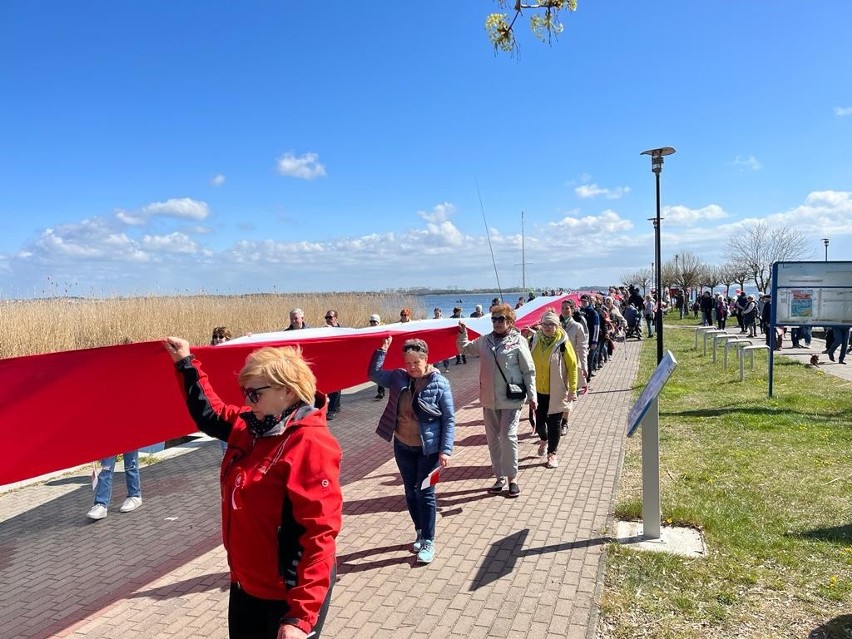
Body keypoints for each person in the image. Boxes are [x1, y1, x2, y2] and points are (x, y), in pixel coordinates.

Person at [164, 337, 342, 639]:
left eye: (255, 394)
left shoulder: (311, 444)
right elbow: (211, 414)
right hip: (246, 585)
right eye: (245, 393)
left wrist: (300, 617)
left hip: (287, 595)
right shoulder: (253, 426)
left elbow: (319, 536)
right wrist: (185, 362)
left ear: (287, 391)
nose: (247, 401)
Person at [367, 337, 455, 564]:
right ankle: (419, 530)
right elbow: (374, 374)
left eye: (416, 362)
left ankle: (428, 540)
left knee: (425, 493)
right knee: (410, 491)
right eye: (408, 363)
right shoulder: (398, 377)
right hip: (403, 447)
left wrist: (445, 450)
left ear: (426, 359)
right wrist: (380, 351)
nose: (412, 367)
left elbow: (449, 419)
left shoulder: (440, 383)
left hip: (430, 450)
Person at [457, 304, 536, 498]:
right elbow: (465, 349)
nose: (497, 323)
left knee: (508, 437)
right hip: (488, 400)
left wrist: (533, 396)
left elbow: (528, 370)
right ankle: (499, 477)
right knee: (493, 440)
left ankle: (512, 478)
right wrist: (462, 333)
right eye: (494, 319)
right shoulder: (484, 341)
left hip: (511, 399)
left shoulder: (518, 341)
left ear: (510, 322)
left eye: (501, 319)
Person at [87, 337, 143, 520]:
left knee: (131, 464)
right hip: (110, 427)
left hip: (130, 426)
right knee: (105, 466)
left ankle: (135, 495)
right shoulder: (107, 376)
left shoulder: (136, 377)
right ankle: (101, 503)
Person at [530, 311, 577, 469]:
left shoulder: (563, 343)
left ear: (558, 326)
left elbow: (572, 367)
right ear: (541, 325)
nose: (548, 327)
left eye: (552, 325)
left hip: (557, 391)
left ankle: (552, 454)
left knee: (555, 423)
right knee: (539, 422)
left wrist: (572, 389)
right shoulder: (535, 339)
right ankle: (543, 440)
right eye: (545, 324)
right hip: (538, 391)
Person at [323, 310, 343, 420]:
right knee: (332, 385)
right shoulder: (323, 330)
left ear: (336, 318)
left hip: (339, 361)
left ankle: (332, 409)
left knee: (337, 385)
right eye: (326, 317)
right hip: (328, 362)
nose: (328, 319)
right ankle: (336, 406)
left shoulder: (342, 330)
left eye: (330, 317)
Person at [368, 314, 385, 399]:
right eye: (371, 321)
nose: (372, 323)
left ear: (378, 322)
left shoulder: (384, 330)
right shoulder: (368, 331)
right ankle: (381, 391)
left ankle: (381, 392)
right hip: (373, 353)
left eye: (374, 321)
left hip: (381, 354)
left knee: (379, 371)